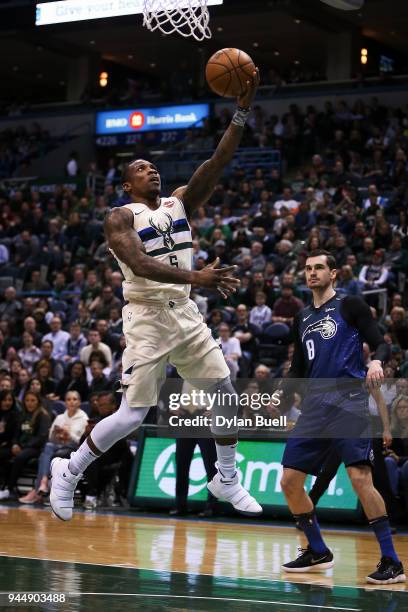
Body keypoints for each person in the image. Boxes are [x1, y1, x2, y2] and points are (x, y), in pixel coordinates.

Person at [50, 68, 262, 522]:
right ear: (128, 184)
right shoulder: (119, 217)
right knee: (131, 415)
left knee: (224, 393)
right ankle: (69, 471)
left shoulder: (179, 203)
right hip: (146, 316)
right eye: (143, 168)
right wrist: (198, 279)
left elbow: (217, 162)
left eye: (155, 167)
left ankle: (226, 479)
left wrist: (241, 111)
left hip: (185, 314)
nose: (154, 171)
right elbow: (142, 265)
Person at [279, 249, 405, 584]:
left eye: (319, 268)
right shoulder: (302, 317)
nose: (312, 273)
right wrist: (280, 398)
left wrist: (377, 361)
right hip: (315, 407)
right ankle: (317, 550)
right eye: (307, 268)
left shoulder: (351, 305)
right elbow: (298, 368)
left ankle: (391, 560)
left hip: (348, 401)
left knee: (361, 480)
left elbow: (381, 342)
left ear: (333, 273)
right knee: (289, 481)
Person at [19, 391, 88, 504]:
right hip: (57, 446)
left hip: (73, 449)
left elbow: (80, 442)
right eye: (69, 399)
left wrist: (68, 433)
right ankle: (44, 483)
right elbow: (50, 438)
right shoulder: (60, 417)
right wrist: (56, 434)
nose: (71, 402)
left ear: (79, 402)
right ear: (65, 402)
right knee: (48, 446)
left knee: (45, 455)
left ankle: (39, 488)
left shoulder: (83, 418)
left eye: (74, 399)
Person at [0, 391, 51, 500]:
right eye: (27, 400)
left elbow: (40, 438)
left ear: (38, 402)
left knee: (20, 457)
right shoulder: (22, 415)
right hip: (20, 447)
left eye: (33, 400)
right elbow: (16, 434)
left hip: (35, 448)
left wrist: (22, 447)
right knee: (3, 454)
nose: (30, 403)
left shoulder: (43, 415)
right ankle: (3, 486)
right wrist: (14, 445)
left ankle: (9, 489)